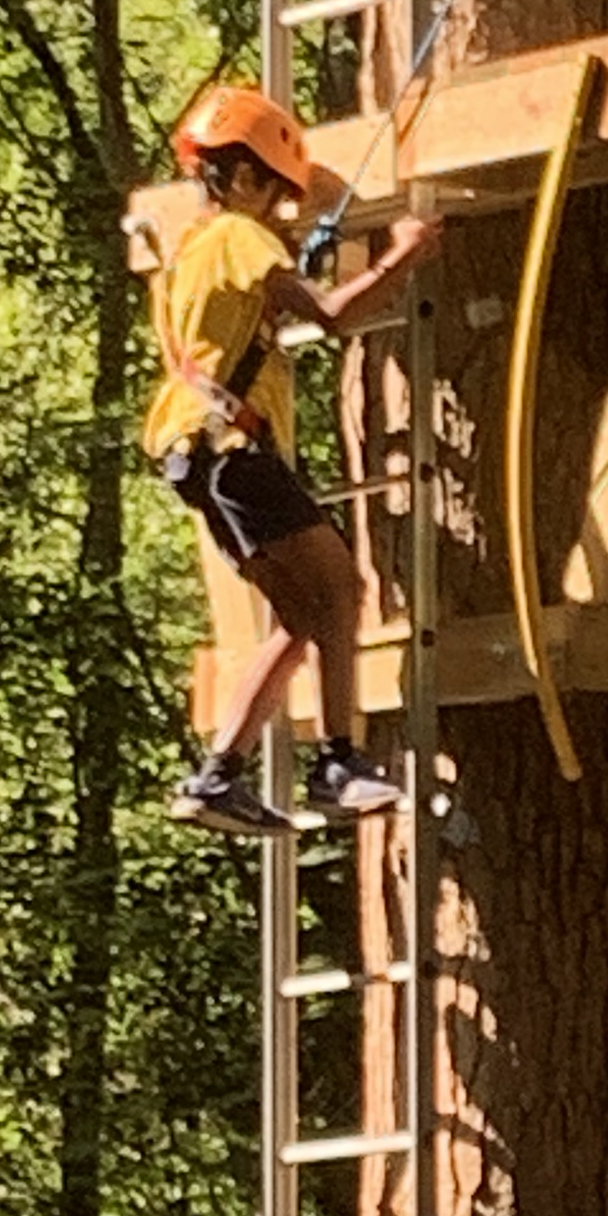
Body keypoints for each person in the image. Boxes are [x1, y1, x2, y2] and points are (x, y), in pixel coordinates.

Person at [139, 83, 441, 836]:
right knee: (341, 591)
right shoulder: (240, 237)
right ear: (242, 176)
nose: (281, 211)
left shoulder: (191, 253)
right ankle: (340, 763)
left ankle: (217, 777)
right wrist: (403, 256)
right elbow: (333, 315)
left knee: (302, 614)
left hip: (197, 456)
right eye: (276, 193)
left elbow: (242, 321)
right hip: (233, 452)